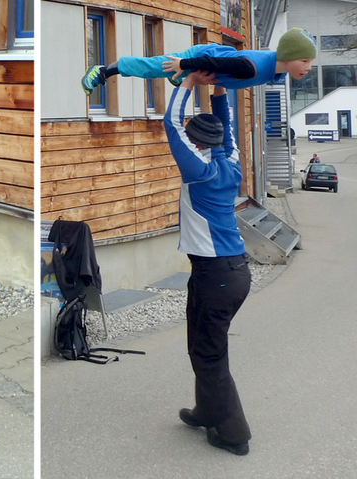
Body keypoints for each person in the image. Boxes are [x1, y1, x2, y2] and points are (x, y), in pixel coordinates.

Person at [163, 71, 252, 455]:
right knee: (200, 344)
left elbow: (170, 123)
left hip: (217, 275)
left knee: (210, 353)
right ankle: (205, 409)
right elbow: (227, 127)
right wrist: (217, 92)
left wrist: (188, 83)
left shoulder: (199, 172)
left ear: (196, 141)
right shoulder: (228, 161)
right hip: (225, 273)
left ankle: (234, 434)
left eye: (191, 136)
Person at [82, 27, 316, 94]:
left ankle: (179, 76)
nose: (308, 67)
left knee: (170, 72)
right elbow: (212, 63)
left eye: (310, 62)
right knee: (156, 67)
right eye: (304, 61)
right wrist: (182, 65)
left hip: (209, 59)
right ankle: (104, 69)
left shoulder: (278, 71)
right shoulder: (251, 67)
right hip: (200, 58)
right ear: (288, 56)